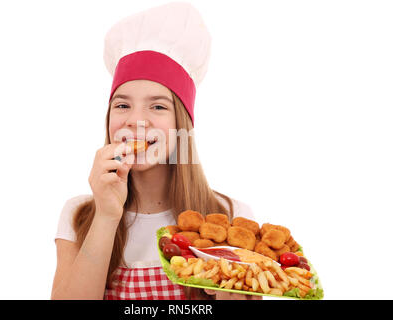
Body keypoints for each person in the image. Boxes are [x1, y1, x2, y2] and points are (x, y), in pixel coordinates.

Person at [51, 2, 261, 300]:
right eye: (122, 105)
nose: (136, 120)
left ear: (182, 123)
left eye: (158, 106)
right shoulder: (79, 215)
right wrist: (107, 216)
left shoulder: (229, 218)